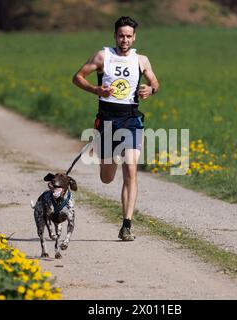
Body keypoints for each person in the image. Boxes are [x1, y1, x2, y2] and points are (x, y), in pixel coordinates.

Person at [72, 16, 160, 241]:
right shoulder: (103, 56)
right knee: (107, 178)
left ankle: (126, 225)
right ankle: (108, 159)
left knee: (131, 169)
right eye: (121, 35)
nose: (125, 40)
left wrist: (150, 89)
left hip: (131, 119)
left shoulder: (142, 60)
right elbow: (77, 77)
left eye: (129, 36)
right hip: (107, 121)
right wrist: (95, 90)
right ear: (115, 36)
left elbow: (155, 83)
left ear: (134, 37)